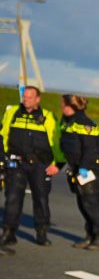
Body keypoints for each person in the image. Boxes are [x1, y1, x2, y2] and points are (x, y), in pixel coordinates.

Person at [1, 85, 64, 252]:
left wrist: (57, 164)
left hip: (40, 165)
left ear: (38, 99)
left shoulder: (48, 117)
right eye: (24, 96)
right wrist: (3, 160)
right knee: (13, 197)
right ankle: (8, 232)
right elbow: (2, 135)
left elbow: (57, 142)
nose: (25, 99)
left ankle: (41, 232)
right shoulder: (12, 112)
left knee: (41, 198)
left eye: (29, 97)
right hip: (16, 163)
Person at [59, 95, 99, 250]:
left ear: (69, 106)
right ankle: (91, 235)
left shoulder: (85, 124)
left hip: (89, 169)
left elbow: (91, 149)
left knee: (91, 203)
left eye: (62, 104)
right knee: (83, 204)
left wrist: (84, 168)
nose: (61, 107)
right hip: (76, 168)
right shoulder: (68, 122)